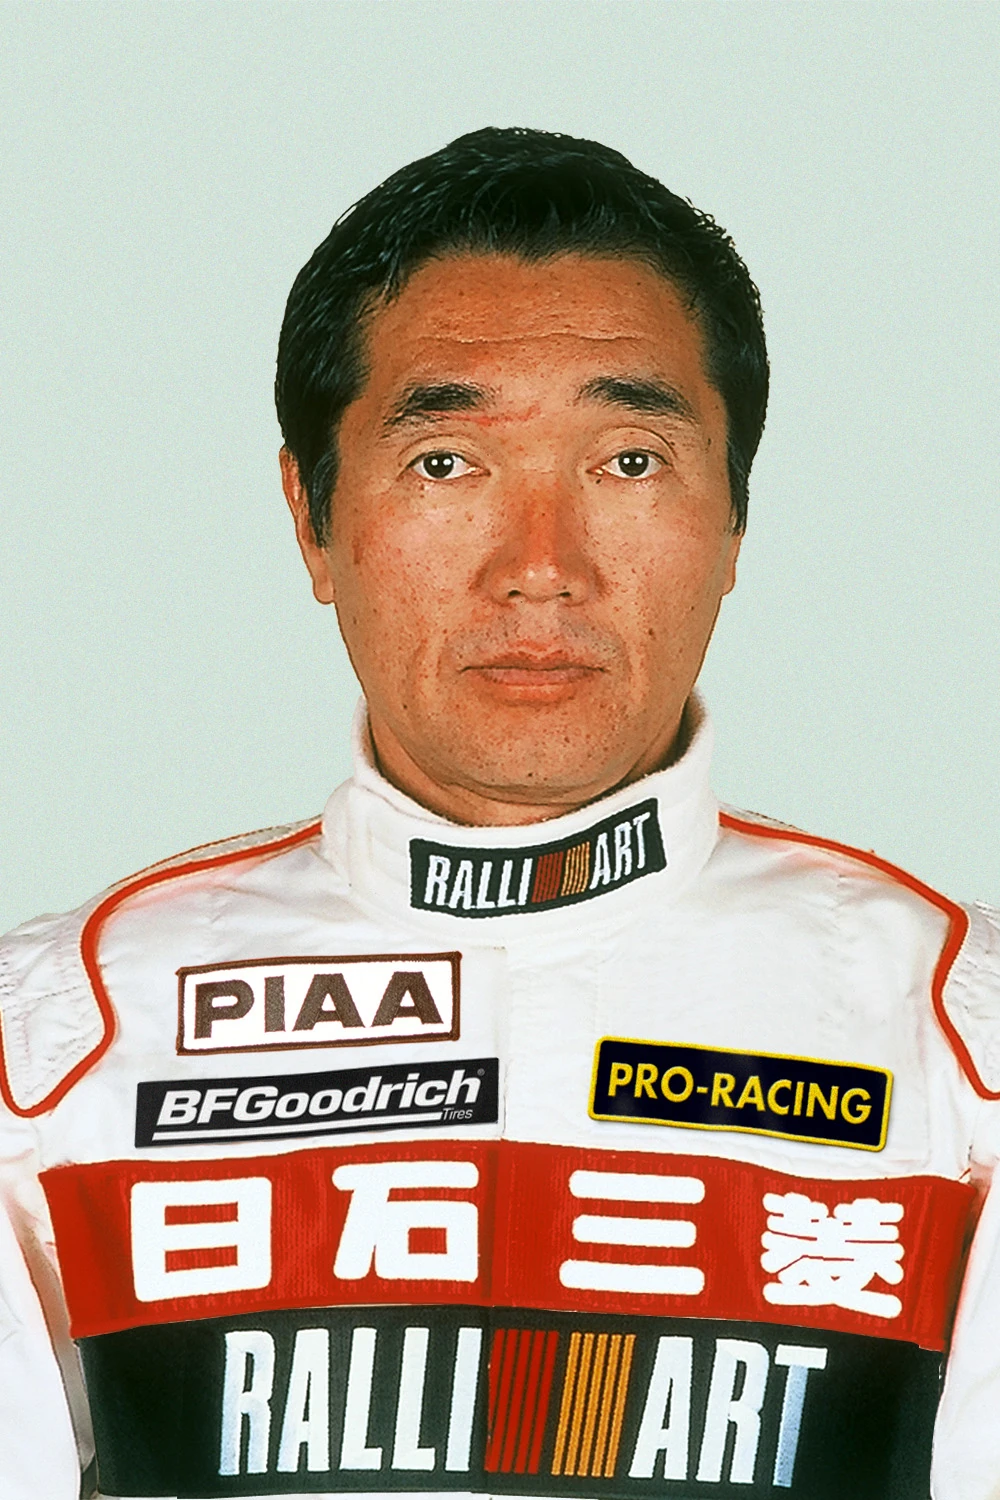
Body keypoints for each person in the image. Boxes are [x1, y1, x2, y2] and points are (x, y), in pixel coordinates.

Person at [0, 126, 997, 1500]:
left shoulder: (957, 1036)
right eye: (446, 463)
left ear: (734, 523)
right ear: (312, 519)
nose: (541, 566)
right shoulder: (55, 1042)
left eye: (630, 461)